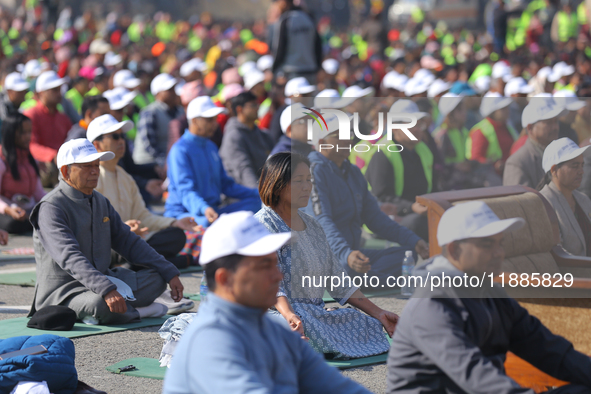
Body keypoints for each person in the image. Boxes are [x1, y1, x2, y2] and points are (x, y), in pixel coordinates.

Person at [386, 200, 591, 393]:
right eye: (487, 244)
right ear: (455, 250)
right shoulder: (432, 304)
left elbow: (544, 347)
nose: (499, 253)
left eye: (499, 243)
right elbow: (476, 375)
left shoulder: (489, 291)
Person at [162, 210, 371, 394]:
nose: (278, 276)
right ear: (225, 280)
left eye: (275, 264)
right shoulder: (209, 342)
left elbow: (337, 387)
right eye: (264, 266)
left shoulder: (274, 330)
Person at [255, 152, 398, 359]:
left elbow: (338, 280)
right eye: (298, 181)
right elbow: (269, 282)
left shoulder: (312, 225)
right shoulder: (264, 224)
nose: (307, 187)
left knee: (364, 323)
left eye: (309, 180)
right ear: (278, 185)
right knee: (304, 325)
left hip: (315, 315)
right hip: (278, 314)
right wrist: (289, 315)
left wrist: (378, 313)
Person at [28, 138, 186, 324]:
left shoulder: (100, 201)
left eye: (96, 165)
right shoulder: (51, 207)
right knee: (100, 304)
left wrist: (169, 271)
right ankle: (141, 311)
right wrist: (106, 289)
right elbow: (69, 257)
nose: (95, 171)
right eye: (87, 166)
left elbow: (129, 241)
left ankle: (122, 310)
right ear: (65, 171)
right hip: (65, 292)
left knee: (158, 280)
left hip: (104, 280)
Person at [305, 113, 429, 283]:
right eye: (339, 135)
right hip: (325, 257)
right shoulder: (312, 172)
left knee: (406, 254)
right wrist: (346, 254)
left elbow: (375, 218)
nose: (348, 140)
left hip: (352, 254)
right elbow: (321, 222)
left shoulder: (353, 172)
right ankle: (364, 279)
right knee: (349, 266)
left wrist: (412, 240)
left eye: (349, 134)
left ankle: (361, 280)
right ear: (321, 142)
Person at [88, 114, 199, 270]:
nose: (121, 141)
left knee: (176, 235)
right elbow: (89, 226)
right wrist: (121, 231)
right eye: (114, 136)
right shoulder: (90, 178)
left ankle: (133, 265)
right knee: (130, 250)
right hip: (107, 245)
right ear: (96, 145)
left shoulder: (126, 178)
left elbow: (143, 216)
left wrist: (174, 222)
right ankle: (147, 264)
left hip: (130, 243)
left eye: (122, 136)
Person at [165, 96, 261, 227]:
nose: (215, 124)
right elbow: (186, 191)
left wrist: (259, 193)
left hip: (212, 211)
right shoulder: (180, 150)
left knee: (259, 203)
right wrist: (204, 208)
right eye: (209, 120)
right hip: (185, 213)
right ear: (194, 120)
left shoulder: (211, 146)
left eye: (215, 119)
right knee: (206, 223)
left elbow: (226, 185)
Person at [365, 100, 432, 241]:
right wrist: (411, 207)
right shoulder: (383, 153)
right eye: (412, 124)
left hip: (418, 212)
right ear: (395, 128)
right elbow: (382, 197)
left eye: (420, 124)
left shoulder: (423, 150)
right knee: (419, 223)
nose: (418, 129)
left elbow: (434, 186)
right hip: (388, 218)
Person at [539, 138, 591, 257]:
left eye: (582, 165)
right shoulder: (544, 203)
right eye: (575, 166)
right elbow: (559, 255)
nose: (581, 171)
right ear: (554, 170)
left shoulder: (583, 200)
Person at [23, 71, 72, 188]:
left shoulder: (62, 117)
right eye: (54, 90)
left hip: (61, 162)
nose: (59, 94)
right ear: (41, 93)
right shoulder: (31, 114)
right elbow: (30, 145)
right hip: (44, 165)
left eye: (59, 89)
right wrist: (53, 155)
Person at [0, 114, 45, 234]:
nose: (27, 137)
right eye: (22, 133)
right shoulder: (1, 159)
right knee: (14, 224)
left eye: (29, 132)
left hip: (27, 211)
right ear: (10, 133)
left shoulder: (31, 160)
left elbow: (38, 193)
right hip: (7, 211)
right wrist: (9, 209)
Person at [503, 97, 561, 188]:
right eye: (548, 123)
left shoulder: (561, 153)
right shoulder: (517, 163)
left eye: (556, 121)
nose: (555, 127)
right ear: (530, 128)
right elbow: (519, 200)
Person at [219, 92, 274, 188]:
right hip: (244, 195)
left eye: (257, 104)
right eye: (253, 105)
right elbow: (243, 170)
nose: (257, 108)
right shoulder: (233, 136)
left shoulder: (263, 134)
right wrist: (261, 196)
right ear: (239, 109)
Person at [133, 73, 182, 170]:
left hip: (169, 161)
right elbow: (149, 144)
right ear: (158, 93)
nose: (173, 92)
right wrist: (164, 163)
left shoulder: (180, 111)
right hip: (148, 164)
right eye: (169, 90)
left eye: (173, 89)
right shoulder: (150, 112)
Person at [269, 0, 322, 84]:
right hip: (311, 70)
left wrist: (274, 70)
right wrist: (318, 67)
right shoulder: (309, 18)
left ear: (283, 3)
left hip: (292, 71)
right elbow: (318, 45)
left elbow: (279, 49)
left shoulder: (285, 20)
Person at [466, 93, 516, 174]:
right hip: (493, 179)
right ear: (492, 112)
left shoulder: (506, 125)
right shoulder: (480, 131)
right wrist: (494, 165)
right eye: (503, 109)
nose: (507, 111)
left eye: (507, 108)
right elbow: (475, 160)